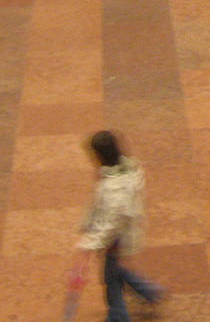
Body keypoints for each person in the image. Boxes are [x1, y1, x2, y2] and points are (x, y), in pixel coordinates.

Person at [70, 130, 164, 322]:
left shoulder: (114, 189)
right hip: (120, 234)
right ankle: (148, 291)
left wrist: (88, 245)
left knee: (111, 279)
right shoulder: (127, 170)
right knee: (116, 271)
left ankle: (118, 317)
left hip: (116, 239)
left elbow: (111, 223)